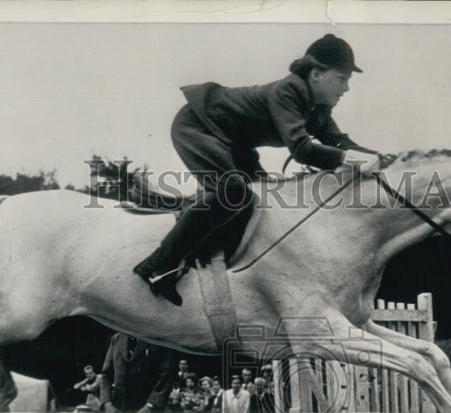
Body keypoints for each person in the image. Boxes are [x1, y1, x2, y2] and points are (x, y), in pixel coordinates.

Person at [132, 34, 379, 306]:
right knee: (234, 192)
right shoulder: (289, 91)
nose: (346, 88)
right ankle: (157, 265)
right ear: (317, 74)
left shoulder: (319, 109)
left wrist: (381, 158)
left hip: (233, 142)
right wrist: (352, 160)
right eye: (342, 79)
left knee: (268, 195)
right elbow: (302, 150)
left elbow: (339, 141)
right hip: (199, 125)